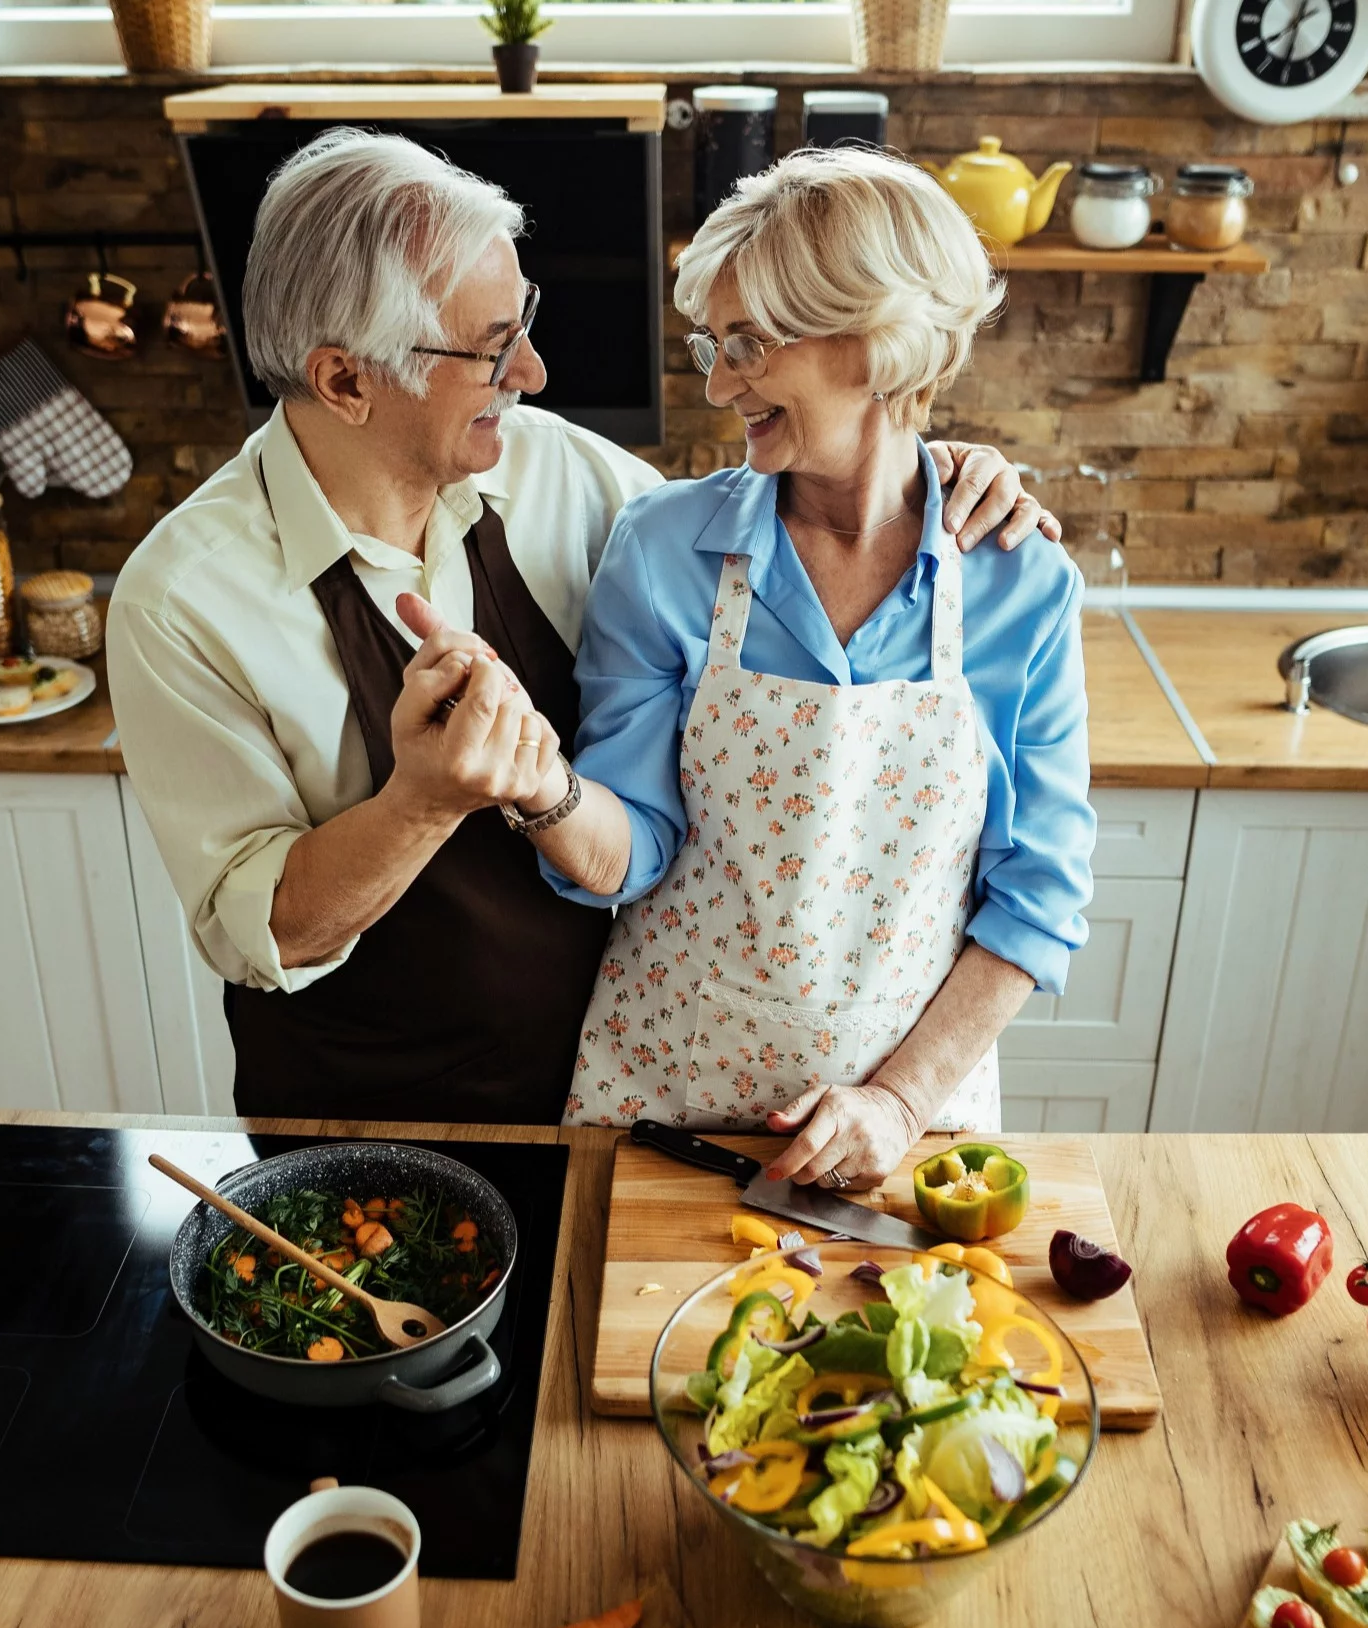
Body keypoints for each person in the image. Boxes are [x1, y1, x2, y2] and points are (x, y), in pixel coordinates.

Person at [109, 129, 1057, 1126]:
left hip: (616, 1084)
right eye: (488, 348)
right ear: (345, 381)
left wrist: (924, 464)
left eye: (523, 319)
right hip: (365, 1118)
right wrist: (422, 803)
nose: (535, 368)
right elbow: (264, 930)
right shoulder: (182, 603)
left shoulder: (569, 478)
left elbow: (785, 503)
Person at [529, 150, 1097, 1192]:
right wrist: (539, 791)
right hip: (669, 1108)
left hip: (906, 1138)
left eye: (746, 344)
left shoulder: (1019, 584)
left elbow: (1040, 894)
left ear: (877, 340)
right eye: (714, 343)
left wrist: (899, 1101)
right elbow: (636, 847)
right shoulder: (664, 551)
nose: (714, 383)